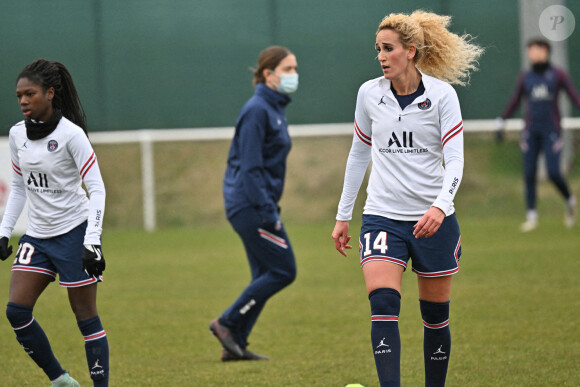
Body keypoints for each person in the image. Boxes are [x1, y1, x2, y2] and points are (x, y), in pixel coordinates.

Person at [331, 11, 483, 387]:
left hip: (434, 221)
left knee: (435, 318)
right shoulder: (369, 94)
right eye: (377, 50)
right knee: (383, 304)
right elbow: (358, 154)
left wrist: (440, 206)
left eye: (388, 49)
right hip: (382, 216)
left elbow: (456, 160)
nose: (381, 56)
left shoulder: (443, 96)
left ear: (411, 51)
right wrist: (342, 214)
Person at [0, 59, 108, 386]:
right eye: (19, 95)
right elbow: (19, 187)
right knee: (16, 312)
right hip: (38, 236)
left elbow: (97, 188)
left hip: (75, 233)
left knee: (86, 319)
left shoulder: (71, 135)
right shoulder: (17, 135)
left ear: (49, 93)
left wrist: (93, 240)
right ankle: (60, 379)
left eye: (29, 94)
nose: (22, 101)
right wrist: (4, 232)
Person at [209, 46, 298, 361]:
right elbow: (249, 166)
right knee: (284, 270)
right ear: (268, 74)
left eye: (294, 69)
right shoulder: (258, 109)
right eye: (288, 69)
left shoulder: (274, 108)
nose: (294, 75)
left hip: (257, 204)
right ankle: (227, 322)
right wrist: (267, 211)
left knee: (264, 272)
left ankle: (236, 344)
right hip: (250, 207)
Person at [496, 38, 579, 232]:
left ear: (545, 51)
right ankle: (531, 216)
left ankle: (569, 200)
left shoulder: (557, 75)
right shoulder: (526, 77)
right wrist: (502, 120)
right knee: (529, 173)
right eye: (530, 50)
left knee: (553, 172)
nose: (532, 53)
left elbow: (574, 96)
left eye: (536, 49)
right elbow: (515, 100)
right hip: (530, 132)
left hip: (551, 131)